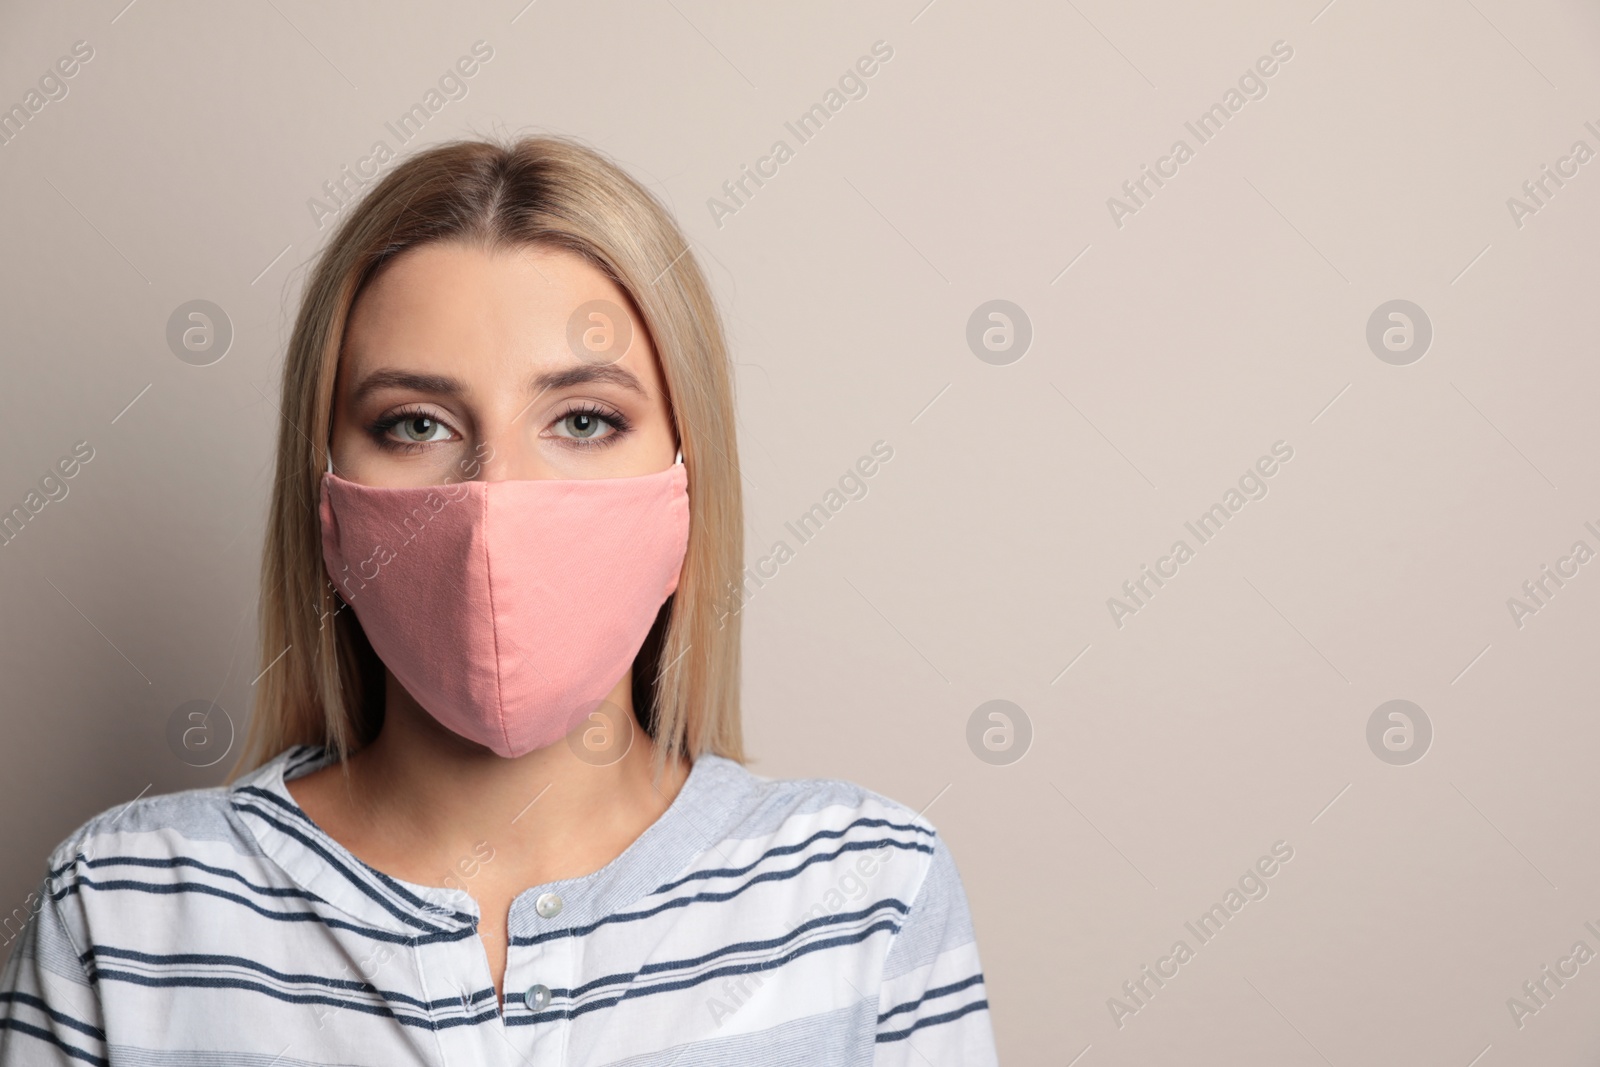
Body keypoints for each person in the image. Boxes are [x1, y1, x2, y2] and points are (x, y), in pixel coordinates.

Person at [0, 134, 999, 1064]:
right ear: (324, 500)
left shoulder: (865, 893)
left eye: (583, 417)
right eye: (416, 423)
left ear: (690, 487)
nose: (497, 498)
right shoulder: (122, 908)